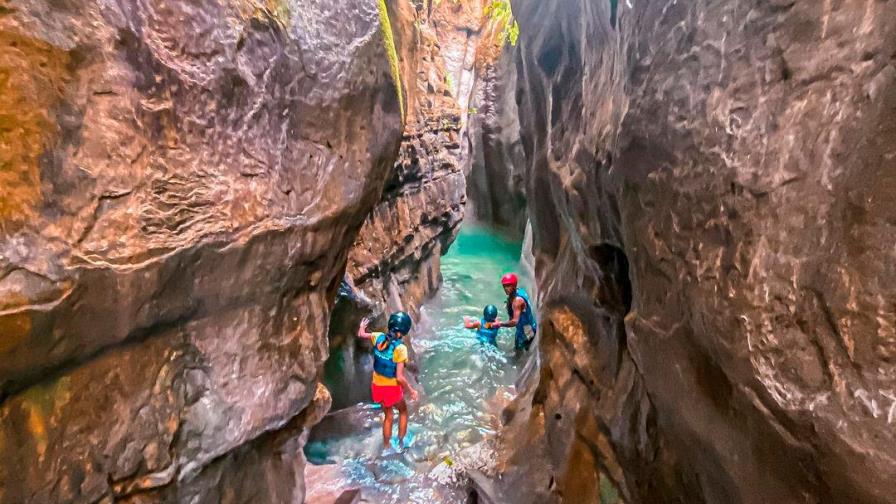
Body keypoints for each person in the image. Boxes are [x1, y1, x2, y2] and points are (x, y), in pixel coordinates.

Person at [357, 311, 419, 451]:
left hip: (376, 386)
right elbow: (399, 377)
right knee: (403, 411)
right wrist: (412, 391)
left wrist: (362, 326)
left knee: (388, 415)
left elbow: (361, 334)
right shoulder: (400, 348)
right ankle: (401, 443)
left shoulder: (378, 337)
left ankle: (386, 446)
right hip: (391, 388)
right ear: (403, 332)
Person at [498, 273, 537, 350]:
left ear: (514, 285)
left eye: (509, 285)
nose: (506, 288)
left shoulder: (517, 301)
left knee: (523, 349)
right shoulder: (520, 291)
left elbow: (514, 322)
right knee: (517, 348)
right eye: (504, 286)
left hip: (526, 330)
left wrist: (500, 324)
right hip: (523, 328)